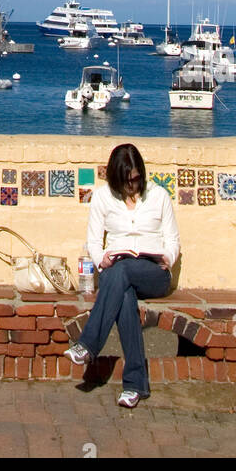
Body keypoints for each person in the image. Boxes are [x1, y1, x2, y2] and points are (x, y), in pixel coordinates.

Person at [68, 143, 180, 408]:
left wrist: (167, 258)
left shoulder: (159, 196)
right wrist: (101, 258)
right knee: (123, 291)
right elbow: (94, 241)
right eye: (128, 181)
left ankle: (88, 344)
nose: (133, 186)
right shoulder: (102, 198)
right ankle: (135, 386)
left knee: (122, 271)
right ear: (117, 179)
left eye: (137, 179)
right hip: (118, 273)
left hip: (153, 272)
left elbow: (173, 239)